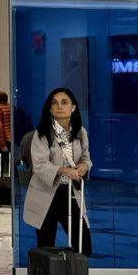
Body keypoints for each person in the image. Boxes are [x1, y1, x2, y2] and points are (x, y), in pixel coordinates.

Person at [22, 87, 93, 255]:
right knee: (46, 245)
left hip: (70, 193)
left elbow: (86, 158)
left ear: (73, 107)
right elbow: (39, 165)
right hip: (47, 193)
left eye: (64, 102)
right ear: (50, 108)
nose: (59, 106)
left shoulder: (80, 132)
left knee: (84, 246)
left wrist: (85, 166)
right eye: (54, 103)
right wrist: (63, 170)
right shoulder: (43, 133)